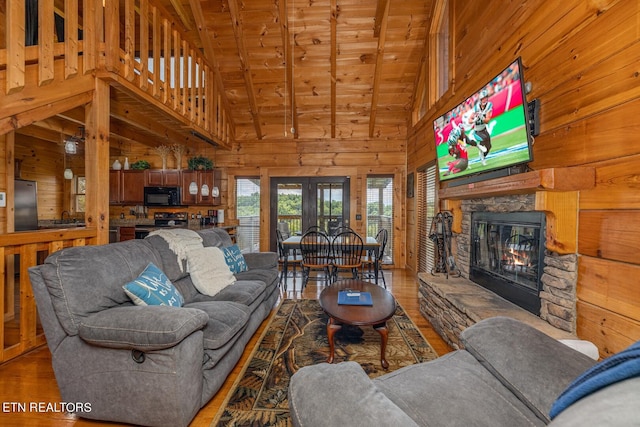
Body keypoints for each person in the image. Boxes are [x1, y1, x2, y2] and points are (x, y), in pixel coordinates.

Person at [466, 89, 493, 165]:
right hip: (477, 131)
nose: (485, 100)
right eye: (483, 98)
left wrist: (481, 117)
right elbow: (469, 120)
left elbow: (487, 121)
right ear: (480, 99)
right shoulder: (476, 108)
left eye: (486, 98)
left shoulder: (489, 106)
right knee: (483, 139)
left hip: (484, 129)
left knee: (489, 146)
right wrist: (474, 120)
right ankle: (481, 149)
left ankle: (482, 157)